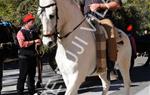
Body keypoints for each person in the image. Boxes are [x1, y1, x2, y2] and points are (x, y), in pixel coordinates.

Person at [79, 0, 122, 80]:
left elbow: (117, 4)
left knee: (110, 31)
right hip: (85, 19)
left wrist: (99, 5)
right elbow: (79, 5)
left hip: (102, 19)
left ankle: (110, 66)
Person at [16, 13, 42, 95]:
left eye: (33, 21)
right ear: (27, 22)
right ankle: (20, 92)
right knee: (22, 76)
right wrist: (34, 42)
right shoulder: (21, 32)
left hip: (33, 56)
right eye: (32, 22)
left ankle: (32, 91)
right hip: (24, 57)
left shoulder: (34, 32)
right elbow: (22, 44)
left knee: (32, 75)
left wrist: (39, 43)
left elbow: (39, 40)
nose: (33, 23)